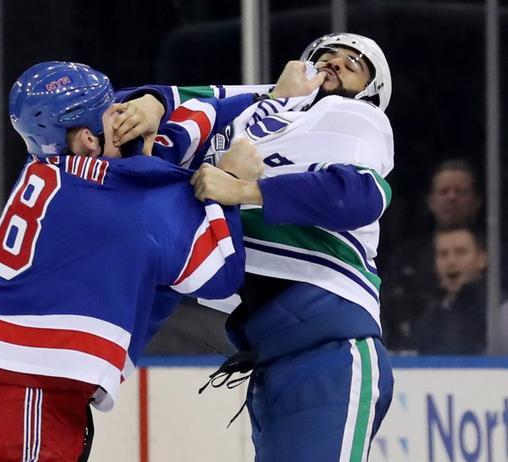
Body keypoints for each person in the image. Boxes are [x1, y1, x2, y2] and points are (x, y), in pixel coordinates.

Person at [0, 61, 264, 462]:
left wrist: (157, 102)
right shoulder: (127, 201)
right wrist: (227, 187)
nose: (124, 112)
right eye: (112, 110)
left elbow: (166, 143)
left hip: (0, 399)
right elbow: (219, 274)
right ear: (89, 139)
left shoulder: (47, 166)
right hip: (23, 409)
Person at [163, 33, 395, 461]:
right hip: (273, 358)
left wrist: (245, 190)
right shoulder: (264, 117)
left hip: (330, 349)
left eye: (352, 63)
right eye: (325, 57)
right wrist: (150, 103)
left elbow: (360, 194)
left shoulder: (355, 115)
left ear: (371, 90)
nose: (334, 63)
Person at [381, 159, 482, 350]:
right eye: (444, 191)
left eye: (461, 192)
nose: (452, 197)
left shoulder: (498, 258)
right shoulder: (406, 256)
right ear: (431, 201)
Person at [410, 226, 488, 354]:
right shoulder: (427, 317)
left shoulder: (496, 313)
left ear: (482, 259)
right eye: (443, 254)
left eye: (460, 252)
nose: (451, 262)